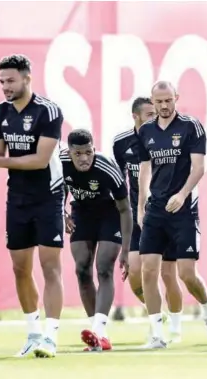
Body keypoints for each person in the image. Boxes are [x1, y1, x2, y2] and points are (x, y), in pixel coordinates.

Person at [0, 54, 64, 358]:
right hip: (18, 198)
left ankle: (51, 337)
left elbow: (39, 160)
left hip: (48, 197)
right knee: (20, 268)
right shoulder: (0, 112)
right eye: (1, 82)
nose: (5, 87)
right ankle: (33, 333)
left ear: (27, 78)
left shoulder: (48, 112)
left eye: (10, 80)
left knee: (50, 267)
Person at [137, 81, 207, 348]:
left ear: (176, 98)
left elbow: (198, 167)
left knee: (186, 273)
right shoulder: (146, 131)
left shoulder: (190, 127)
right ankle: (156, 333)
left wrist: (182, 194)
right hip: (156, 210)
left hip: (184, 209)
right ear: (152, 101)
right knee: (149, 271)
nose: (163, 106)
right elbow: (144, 169)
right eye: (158, 101)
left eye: (168, 100)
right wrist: (141, 205)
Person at [112, 97, 184, 341]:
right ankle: (157, 312)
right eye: (149, 114)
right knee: (134, 274)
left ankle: (175, 326)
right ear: (135, 116)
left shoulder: (168, 138)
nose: (154, 118)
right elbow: (119, 182)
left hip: (164, 213)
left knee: (167, 274)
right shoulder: (121, 143)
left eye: (156, 113)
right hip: (136, 215)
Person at [60, 129, 133, 351]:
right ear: (70, 152)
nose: (84, 158)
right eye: (78, 153)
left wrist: (127, 251)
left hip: (110, 215)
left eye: (88, 152)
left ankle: (100, 331)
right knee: (82, 268)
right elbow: (56, 189)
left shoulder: (107, 167)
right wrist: (62, 213)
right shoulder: (59, 161)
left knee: (104, 268)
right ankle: (96, 332)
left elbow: (125, 209)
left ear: (94, 148)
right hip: (82, 213)